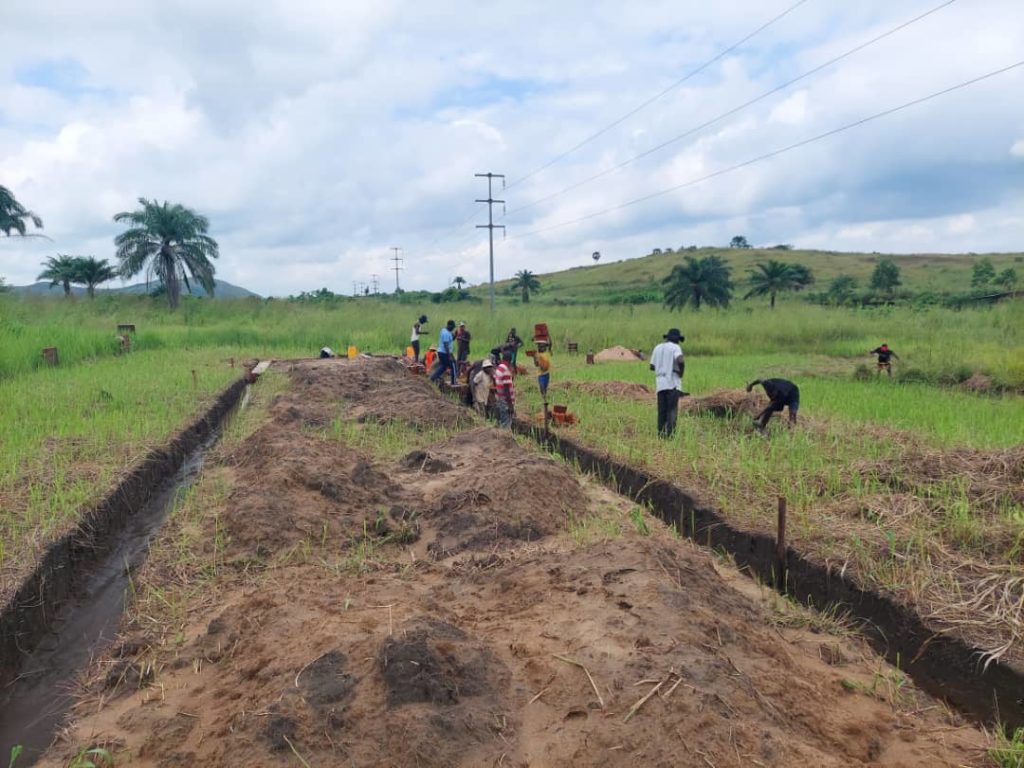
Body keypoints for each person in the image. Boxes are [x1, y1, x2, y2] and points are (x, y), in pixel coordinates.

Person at [650, 328, 685, 438]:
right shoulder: (675, 347)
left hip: (660, 384)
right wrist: (681, 373)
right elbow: (680, 360)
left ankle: (661, 435)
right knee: (672, 411)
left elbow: (652, 366)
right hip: (673, 382)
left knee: (662, 411)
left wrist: (662, 366)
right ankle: (670, 436)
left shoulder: (658, 347)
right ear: (677, 340)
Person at [430, 319, 457, 385]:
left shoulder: (445, 330)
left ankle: (433, 377)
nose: (453, 328)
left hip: (441, 352)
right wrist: (449, 356)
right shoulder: (445, 333)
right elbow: (446, 345)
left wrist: (455, 335)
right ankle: (453, 382)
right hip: (445, 352)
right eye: (453, 327)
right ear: (449, 325)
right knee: (453, 365)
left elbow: (451, 339)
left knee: (444, 366)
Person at [493, 351, 516, 428]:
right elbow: (506, 388)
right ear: (510, 360)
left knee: (501, 421)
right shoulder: (506, 370)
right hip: (505, 400)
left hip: (499, 398)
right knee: (506, 423)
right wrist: (510, 405)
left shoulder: (499, 367)